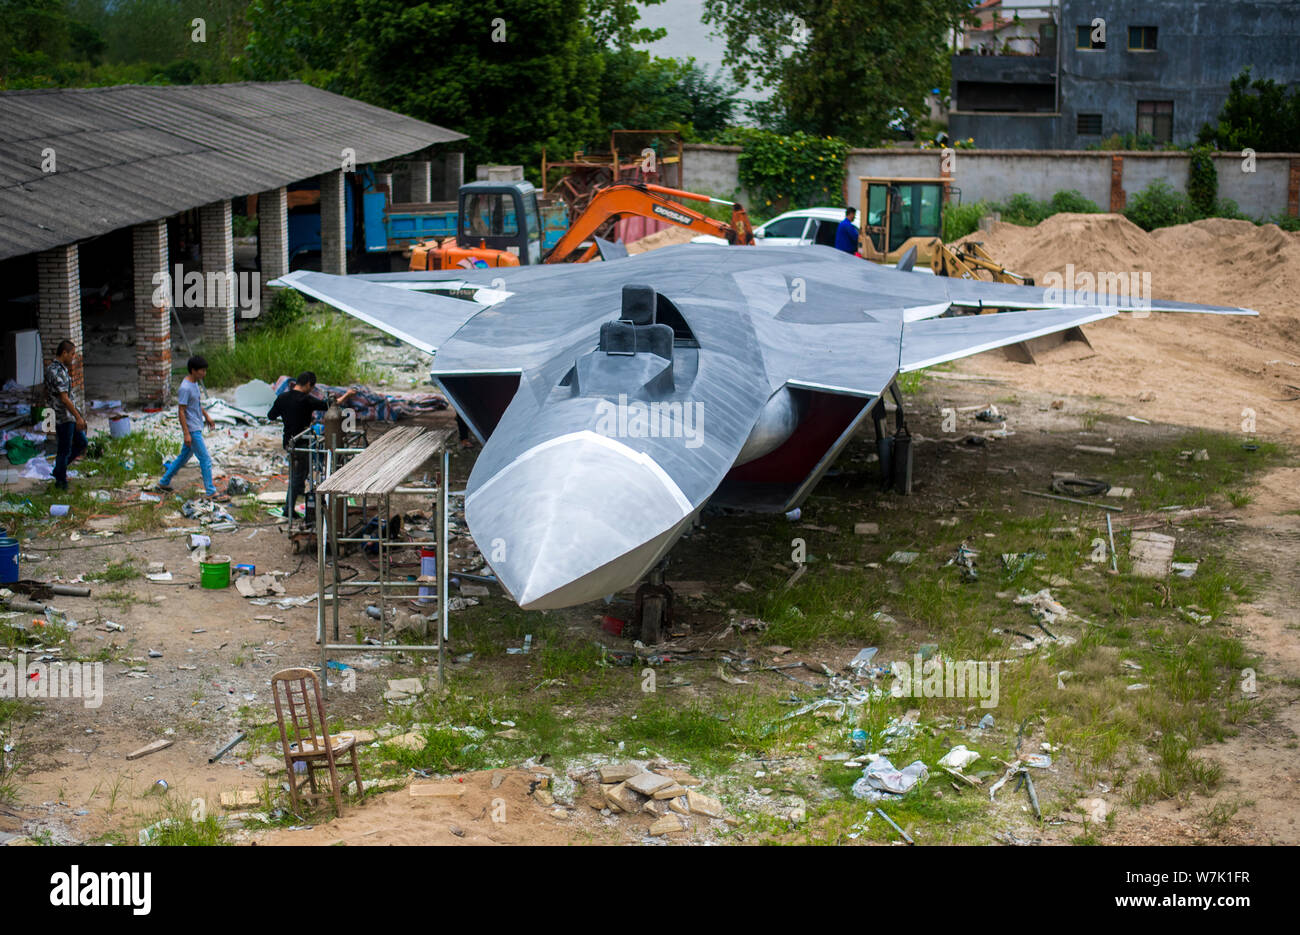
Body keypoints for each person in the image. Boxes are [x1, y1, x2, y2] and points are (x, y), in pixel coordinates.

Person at [268, 372, 355, 524]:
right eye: (312, 386)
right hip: (303, 442)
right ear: (308, 384)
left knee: (297, 474)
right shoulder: (306, 400)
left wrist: (287, 416)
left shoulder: (282, 398)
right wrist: (347, 394)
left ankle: (292, 504)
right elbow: (330, 405)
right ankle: (289, 509)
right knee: (298, 476)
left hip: (288, 442)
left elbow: (271, 416)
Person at [156, 355, 225, 501]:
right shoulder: (185, 388)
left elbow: (196, 404)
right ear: (193, 370)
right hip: (192, 429)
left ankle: (163, 482)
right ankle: (211, 491)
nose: (204, 374)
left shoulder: (194, 384)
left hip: (197, 425)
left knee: (183, 458)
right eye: (202, 371)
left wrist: (207, 416)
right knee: (205, 459)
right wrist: (186, 433)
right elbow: (181, 411)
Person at [44, 340, 87, 491]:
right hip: (63, 416)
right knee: (64, 449)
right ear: (64, 353)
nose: (73, 357)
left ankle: (58, 470)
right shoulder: (56, 371)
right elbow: (64, 398)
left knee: (82, 443)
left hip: (65, 415)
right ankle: (61, 482)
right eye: (72, 354)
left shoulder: (58, 369)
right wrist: (78, 417)